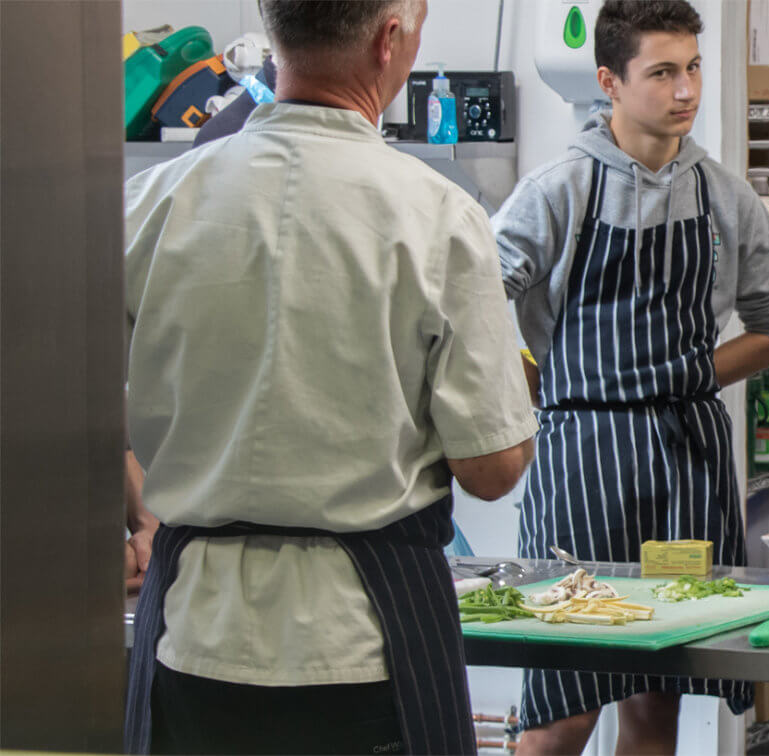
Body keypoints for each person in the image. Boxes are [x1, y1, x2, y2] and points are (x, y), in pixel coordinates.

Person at [122, 0, 538, 753]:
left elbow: (69, 414)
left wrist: (142, 517)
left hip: (192, 632)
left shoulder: (149, 204)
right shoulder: (439, 214)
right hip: (366, 640)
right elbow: (491, 467)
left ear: (271, 33)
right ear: (389, 41)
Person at [489, 1, 769, 752]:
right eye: (662, 72)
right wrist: (525, 378)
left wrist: (686, 373)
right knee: (560, 704)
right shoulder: (560, 188)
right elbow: (471, 301)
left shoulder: (725, 197)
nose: (686, 89)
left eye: (692, 68)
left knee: (659, 694)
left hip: (686, 460)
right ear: (609, 82)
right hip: (583, 460)